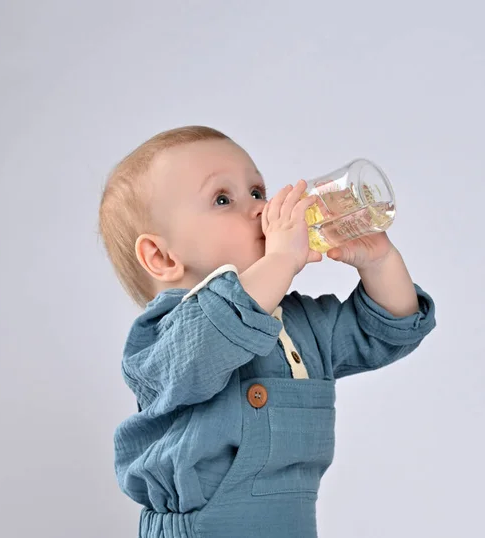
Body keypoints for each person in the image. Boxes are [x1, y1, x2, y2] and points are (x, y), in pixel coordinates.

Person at [98, 126, 436, 538]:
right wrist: (280, 260)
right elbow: (208, 343)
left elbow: (386, 330)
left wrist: (379, 262)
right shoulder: (166, 334)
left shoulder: (299, 322)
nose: (260, 208)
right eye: (223, 199)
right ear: (162, 256)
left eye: (257, 191)